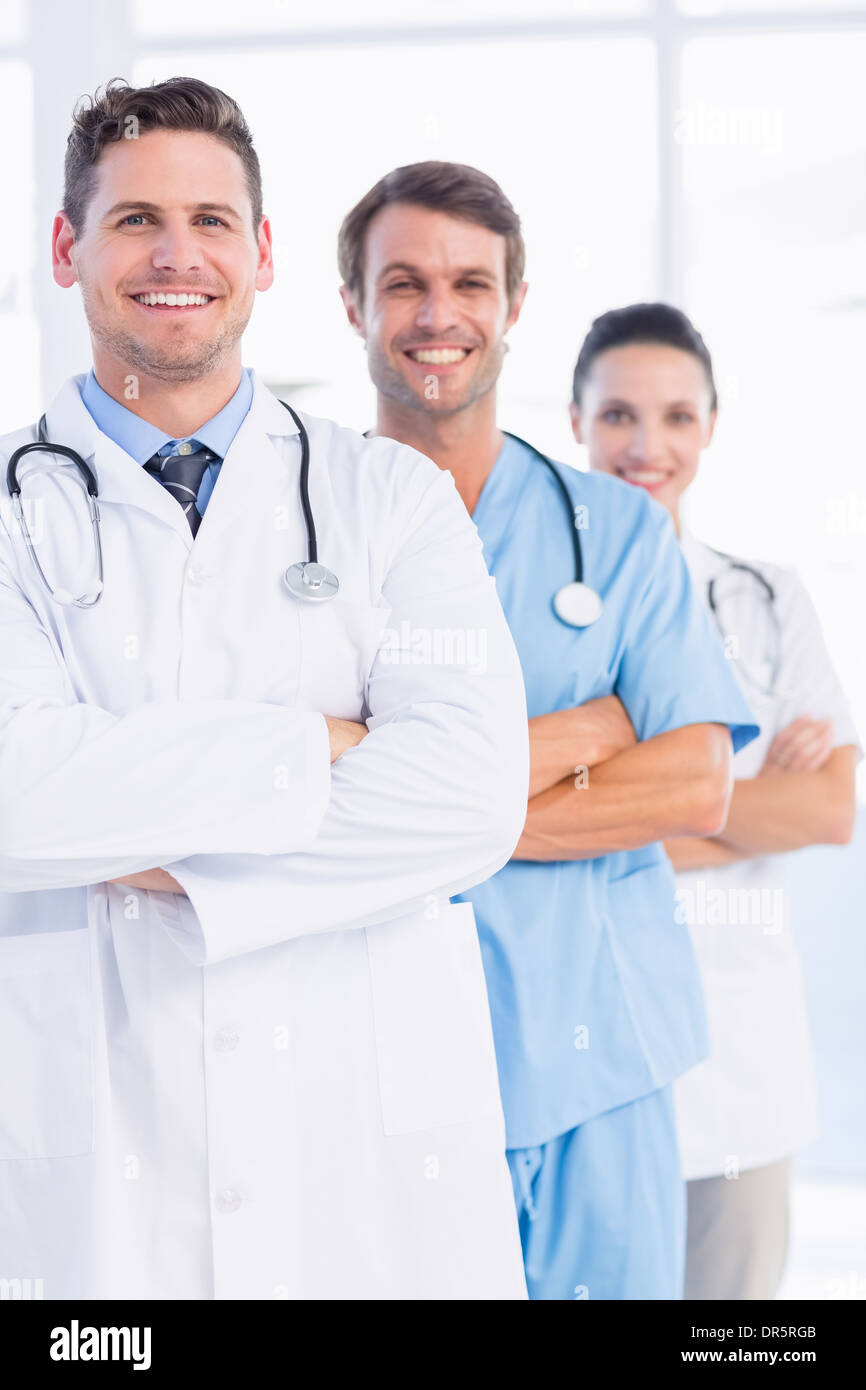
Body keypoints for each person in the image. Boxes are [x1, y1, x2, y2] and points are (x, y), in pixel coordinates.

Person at [0, 80, 532, 1301]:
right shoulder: (7, 520)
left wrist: (116, 819)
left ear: (265, 253)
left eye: (211, 220)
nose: (176, 254)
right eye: (135, 219)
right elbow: (16, 802)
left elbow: (467, 800)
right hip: (97, 1188)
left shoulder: (390, 502)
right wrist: (320, 747)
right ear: (67, 248)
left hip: (365, 1184)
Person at [337, 161, 760, 1300]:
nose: (439, 315)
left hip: (599, 1066)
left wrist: (417, 799)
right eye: (404, 283)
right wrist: (588, 728)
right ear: (352, 305)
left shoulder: (611, 530)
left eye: (470, 282)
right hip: (372, 1069)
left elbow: (694, 785)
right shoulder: (307, 533)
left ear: (512, 305)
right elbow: (300, 787)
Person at [571, 301, 861, 1300]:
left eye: (675, 417)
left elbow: (827, 808)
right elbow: (504, 823)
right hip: (581, 1063)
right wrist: (743, 797)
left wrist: (614, 805)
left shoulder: (766, 595)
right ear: (575, 422)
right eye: (617, 415)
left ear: (708, 427)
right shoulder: (522, 597)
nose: (646, 445)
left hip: (741, 1066)